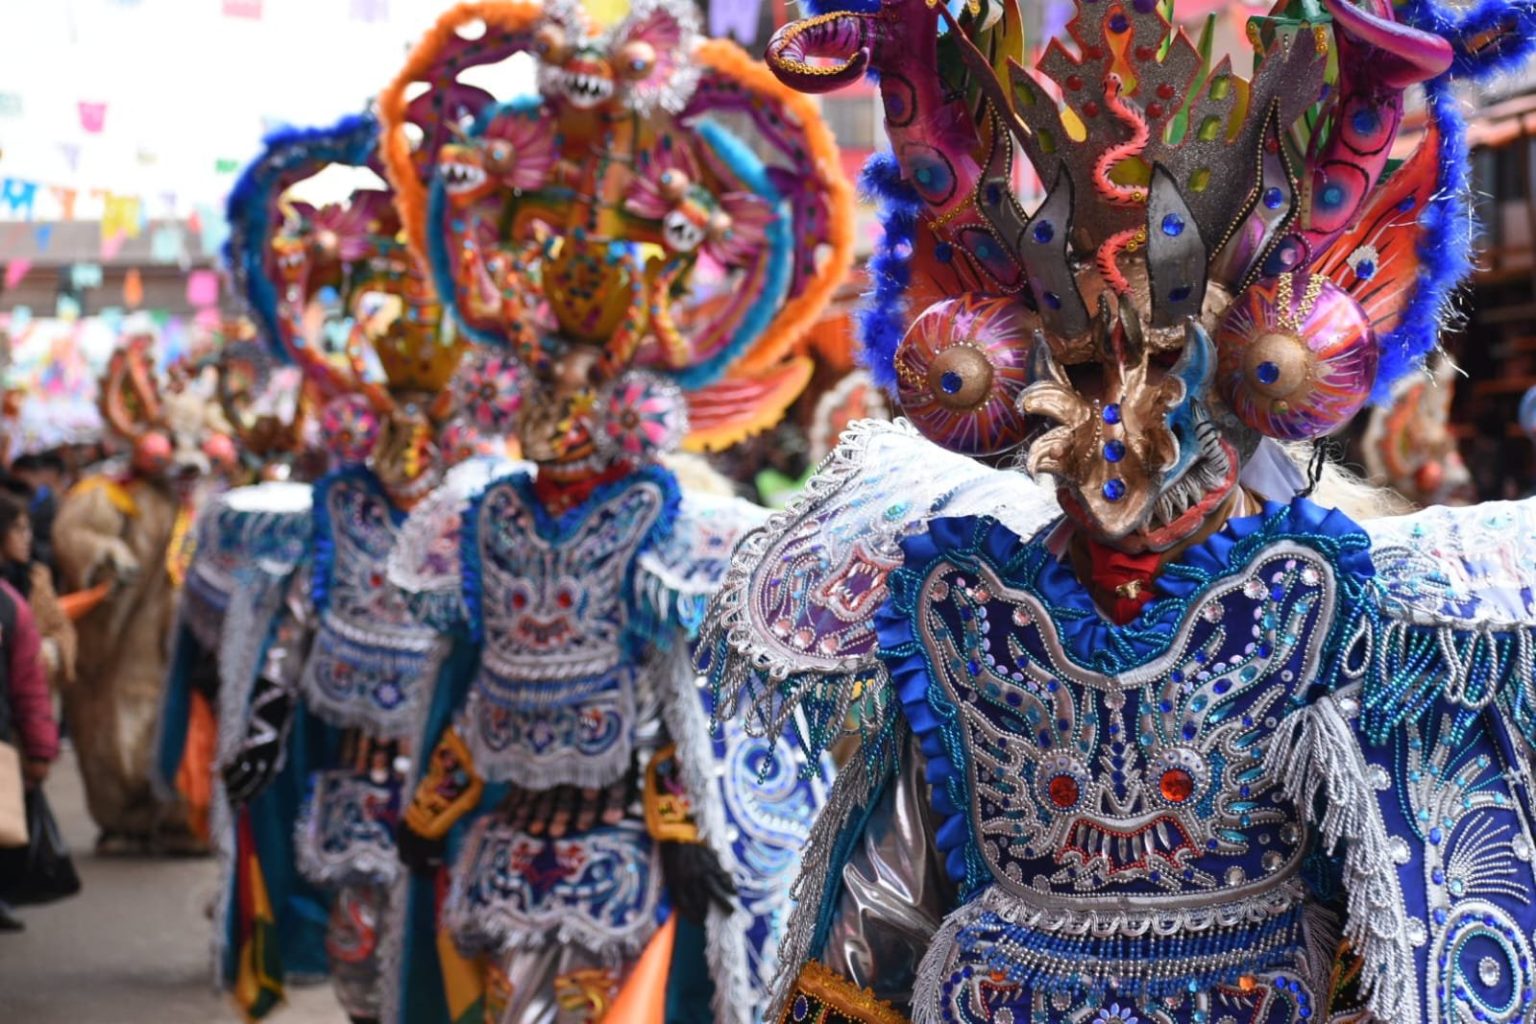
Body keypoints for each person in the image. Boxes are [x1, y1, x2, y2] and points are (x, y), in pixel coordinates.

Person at [0, 518, 58, 933]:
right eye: (18, 529)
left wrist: (38, 749)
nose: (27, 538)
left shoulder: (17, 598)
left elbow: (28, 685)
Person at [0, 493, 76, 693]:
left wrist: (49, 652)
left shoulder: (37, 578)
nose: (27, 538)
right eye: (18, 529)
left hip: (32, 690)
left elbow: (62, 630)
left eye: (28, 529)